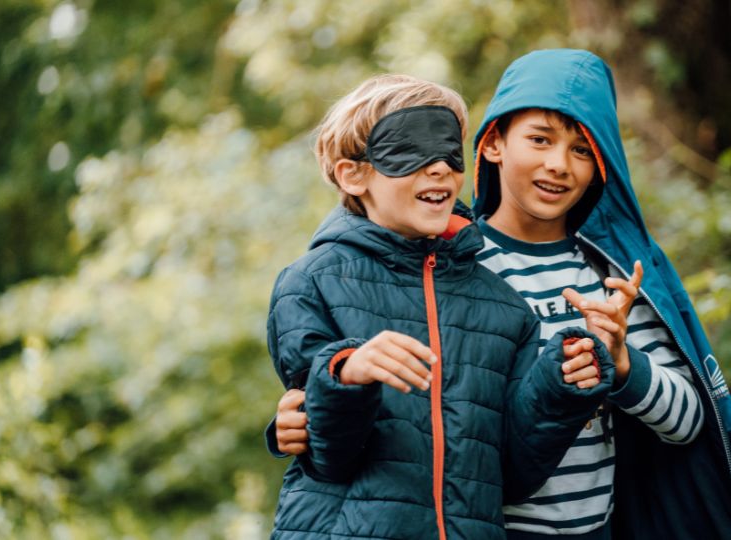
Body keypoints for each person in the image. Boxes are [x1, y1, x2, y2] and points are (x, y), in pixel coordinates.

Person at [274, 50, 731, 540]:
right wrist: (302, 413)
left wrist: (621, 365)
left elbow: (688, 421)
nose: (559, 164)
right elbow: (350, 363)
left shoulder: (612, 276)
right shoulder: (452, 261)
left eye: (582, 150)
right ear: (493, 144)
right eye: (540, 139)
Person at [264, 73, 620, 540]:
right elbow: (328, 456)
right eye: (411, 150)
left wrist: (560, 386)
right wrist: (346, 373)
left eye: (450, 153)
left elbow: (512, 477)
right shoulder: (310, 284)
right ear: (355, 173)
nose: (439, 170)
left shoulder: (502, 307)